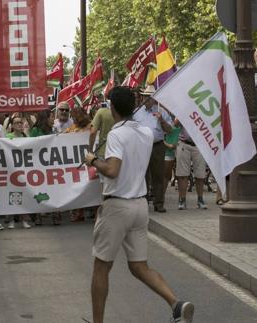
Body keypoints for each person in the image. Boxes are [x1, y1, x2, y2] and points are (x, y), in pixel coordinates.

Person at [84, 86, 193, 323]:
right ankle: (176, 304)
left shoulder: (115, 134)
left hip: (117, 205)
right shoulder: (144, 132)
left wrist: (93, 160)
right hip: (140, 205)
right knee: (139, 266)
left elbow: (112, 170)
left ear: (112, 108)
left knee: (101, 267)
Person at [132, 85, 173, 213]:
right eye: (145, 96)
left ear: (155, 98)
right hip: (141, 146)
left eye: (150, 97)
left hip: (157, 146)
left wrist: (162, 121)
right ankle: (142, 203)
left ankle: (159, 203)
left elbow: (170, 130)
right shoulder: (136, 112)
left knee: (158, 175)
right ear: (142, 97)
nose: (147, 99)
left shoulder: (162, 112)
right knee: (142, 175)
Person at [3, 115, 32, 229]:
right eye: (17, 123)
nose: (19, 125)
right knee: (12, 195)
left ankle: (24, 219)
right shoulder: (8, 137)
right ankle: (11, 221)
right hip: (11, 170)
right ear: (12, 126)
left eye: (21, 122)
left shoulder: (26, 136)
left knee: (24, 195)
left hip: (24, 170)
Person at [175, 125, 208, 210]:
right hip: (184, 143)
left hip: (200, 144)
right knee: (182, 175)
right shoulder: (182, 110)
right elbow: (175, 124)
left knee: (200, 175)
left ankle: (200, 200)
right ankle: (182, 200)